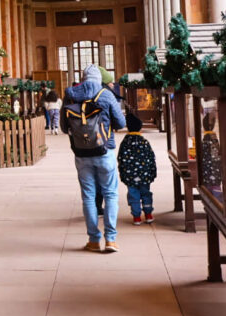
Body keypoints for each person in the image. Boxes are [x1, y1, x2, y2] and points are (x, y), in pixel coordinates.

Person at [61, 64, 127, 253]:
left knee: (88, 197)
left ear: (82, 78)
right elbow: (121, 123)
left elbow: (65, 128)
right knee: (111, 194)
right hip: (104, 151)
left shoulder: (70, 94)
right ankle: (111, 240)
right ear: (99, 79)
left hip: (81, 154)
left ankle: (93, 240)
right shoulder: (105, 95)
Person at [118, 111, 157, 225]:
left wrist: (123, 174)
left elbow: (120, 159)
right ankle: (148, 214)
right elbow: (151, 158)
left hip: (130, 176)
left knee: (133, 195)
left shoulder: (125, 143)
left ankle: (136, 217)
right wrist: (152, 173)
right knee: (146, 194)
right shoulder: (144, 142)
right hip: (145, 176)